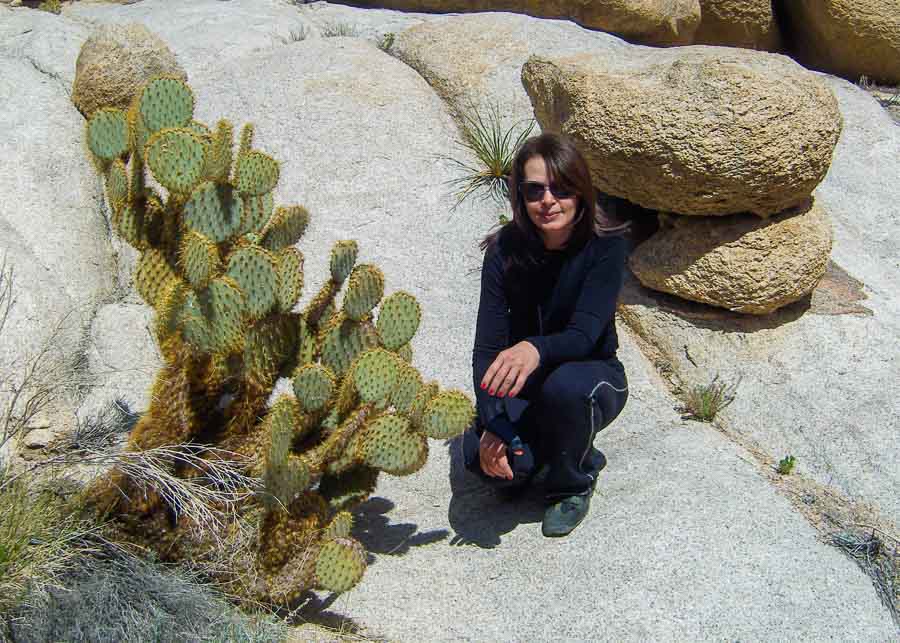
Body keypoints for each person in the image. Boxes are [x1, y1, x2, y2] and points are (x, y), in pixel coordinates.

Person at [463, 132, 629, 537]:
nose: (548, 200)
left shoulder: (606, 247)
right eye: (535, 189)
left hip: (590, 376)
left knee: (565, 388)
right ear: (520, 196)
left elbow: (584, 335)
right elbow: (486, 349)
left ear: (581, 192)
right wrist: (493, 424)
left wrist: (533, 349)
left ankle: (574, 481)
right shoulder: (503, 251)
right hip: (528, 384)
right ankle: (542, 455)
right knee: (487, 468)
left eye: (561, 188)